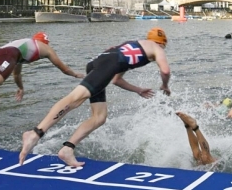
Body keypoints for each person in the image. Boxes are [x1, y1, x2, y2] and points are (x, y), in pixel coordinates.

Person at [19, 27, 171, 167]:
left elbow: (116, 79)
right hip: (108, 65)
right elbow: (165, 71)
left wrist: (138, 90)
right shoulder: (157, 48)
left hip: (98, 63)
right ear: (162, 43)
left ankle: (67, 149)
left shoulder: (134, 45)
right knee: (74, 99)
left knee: (99, 117)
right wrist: (165, 85)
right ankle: (35, 133)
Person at [0, 32, 84, 154]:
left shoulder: (22, 49)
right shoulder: (45, 48)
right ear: (45, 42)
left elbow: (16, 74)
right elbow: (63, 68)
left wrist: (20, 88)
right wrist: (76, 74)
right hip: (5, 57)